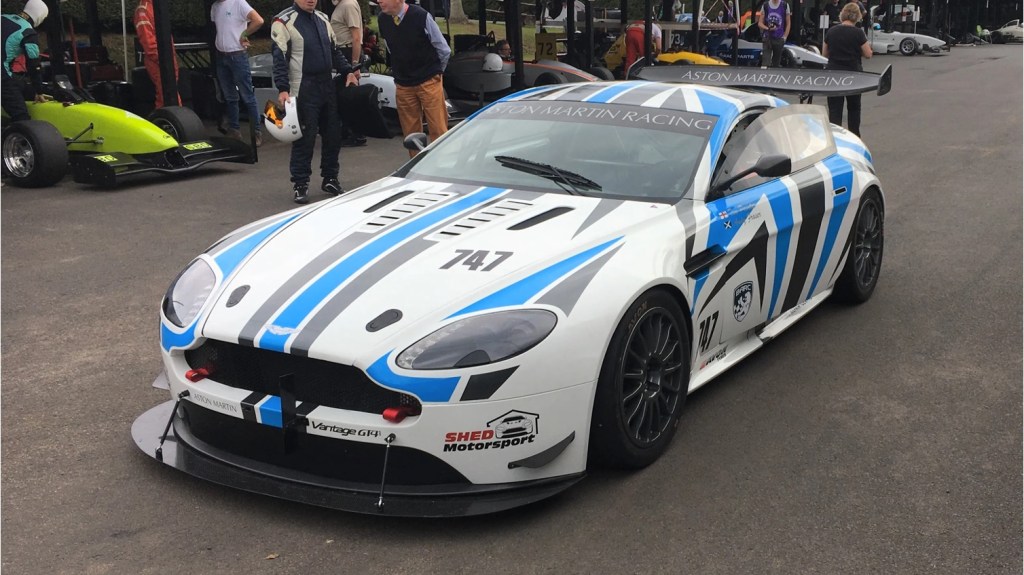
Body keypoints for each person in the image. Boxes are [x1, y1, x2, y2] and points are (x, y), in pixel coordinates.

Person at [271, 0, 358, 204]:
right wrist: (282, 88)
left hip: (326, 85)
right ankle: (300, 184)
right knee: (305, 138)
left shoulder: (323, 18)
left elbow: (334, 51)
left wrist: (348, 71)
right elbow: (279, 57)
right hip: (302, 88)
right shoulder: (282, 21)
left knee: (333, 135)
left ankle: (330, 178)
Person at [376, 0, 451, 158]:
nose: (379, 1)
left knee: (438, 127)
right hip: (403, 83)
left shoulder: (421, 16)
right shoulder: (382, 19)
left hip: (428, 79)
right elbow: (391, 48)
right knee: (410, 133)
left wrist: (437, 73)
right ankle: (416, 164)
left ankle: (441, 163)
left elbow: (443, 49)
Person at [211, 0, 264, 145]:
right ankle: (235, 129)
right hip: (223, 54)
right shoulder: (215, 7)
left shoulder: (238, 3)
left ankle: (255, 131)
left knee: (245, 95)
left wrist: (244, 33)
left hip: (236, 54)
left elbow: (258, 20)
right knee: (231, 95)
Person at [823, 2, 872, 136]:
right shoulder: (858, 33)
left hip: (833, 74)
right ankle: (854, 136)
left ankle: (835, 137)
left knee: (835, 108)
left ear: (842, 14)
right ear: (857, 16)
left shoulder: (831, 31)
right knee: (854, 108)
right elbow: (868, 54)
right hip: (853, 74)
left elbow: (824, 53)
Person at [1, 0, 48, 122]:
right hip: (2, 76)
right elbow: (33, 65)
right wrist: (39, 91)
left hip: (7, 74)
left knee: (20, 85)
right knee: (22, 118)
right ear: (40, 16)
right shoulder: (28, 33)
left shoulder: (3, 17)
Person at [331, 0, 368, 147]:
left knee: (349, 96)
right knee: (343, 96)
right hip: (342, 51)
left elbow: (356, 37)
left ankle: (356, 134)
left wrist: (354, 64)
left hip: (347, 51)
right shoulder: (341, 5)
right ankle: (346, 131)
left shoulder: (348, 5)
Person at [134, 0, 182, 108]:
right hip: (159, 61)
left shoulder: (151, 7)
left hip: (164, 59)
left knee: (168, 95)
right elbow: (149, 44)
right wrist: (165, 60)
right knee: (166, 96)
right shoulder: (144, 10)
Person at [757, 0, 791, 67]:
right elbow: (760, 23)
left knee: (776, 62)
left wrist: (784, 37)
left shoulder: (784, 5)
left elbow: (788, 23)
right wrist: (768, 28)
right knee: (765, 61)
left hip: (779, 37)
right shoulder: (766, 5)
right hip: (767, 37)